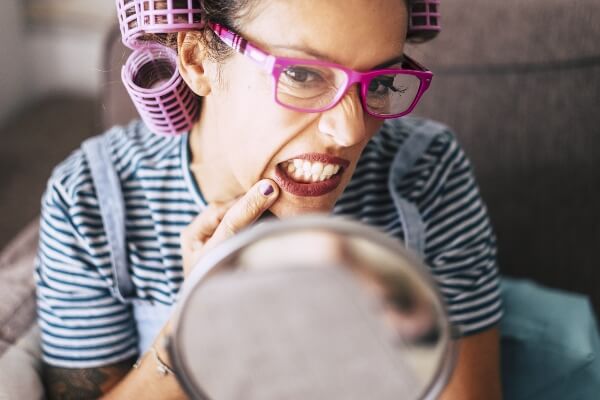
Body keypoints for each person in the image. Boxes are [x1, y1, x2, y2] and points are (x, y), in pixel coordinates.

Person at [35, 0, 503, 398]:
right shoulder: (91, 201)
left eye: (379, 83)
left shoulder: (425, 173)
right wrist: (192, 333)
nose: (351, 131)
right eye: (302, 74)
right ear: (197, 60)